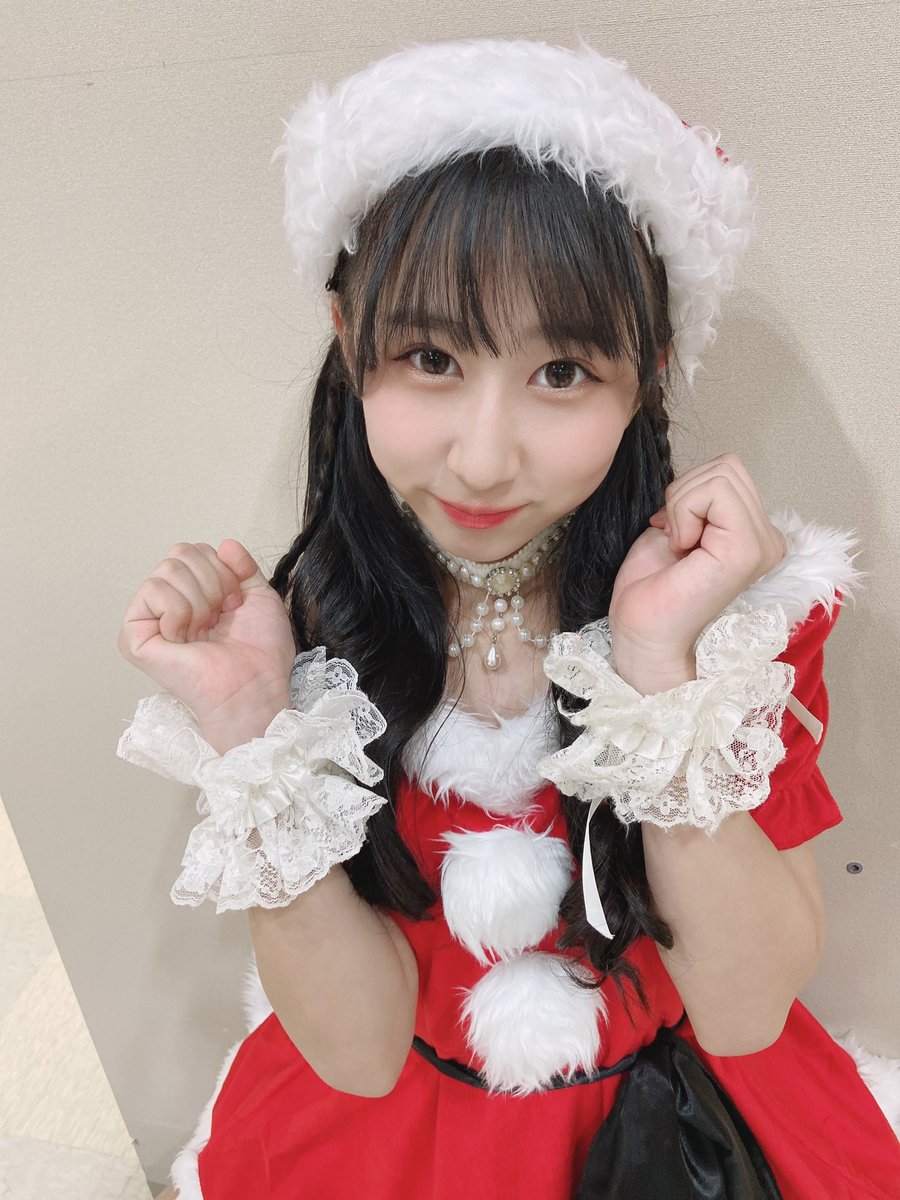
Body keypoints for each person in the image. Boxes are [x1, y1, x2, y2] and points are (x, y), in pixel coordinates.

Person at [115, 38, 900, 1200]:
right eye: (431, 357)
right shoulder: (310, 631)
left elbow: (743, 1012)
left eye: (562, 372)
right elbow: (359, 1054)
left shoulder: (739, 630)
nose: (484, 459)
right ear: (350, 342)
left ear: (649, 374)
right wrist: (252, 735)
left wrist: (658, 670)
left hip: (677, 1131)